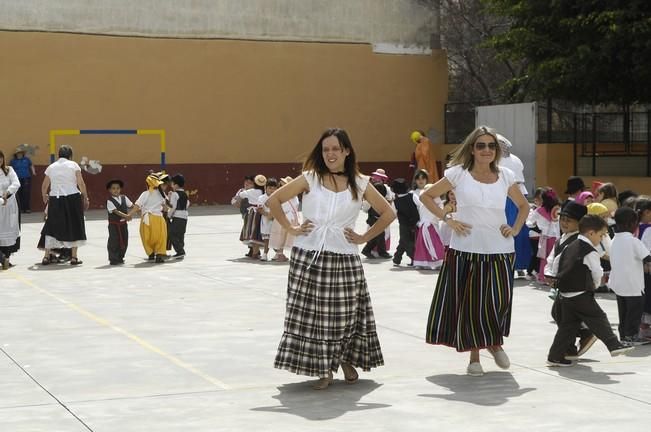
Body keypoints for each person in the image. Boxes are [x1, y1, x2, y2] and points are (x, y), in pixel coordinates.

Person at [268, 128, 394, 390]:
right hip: (308, 254)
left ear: (347, 151)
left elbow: (388, 213)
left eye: (336, 148)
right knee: (313, 316)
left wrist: (363, 237)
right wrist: (291, 229)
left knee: (345, 315)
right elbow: (275, 200)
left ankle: (345, 359)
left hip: (344, 255)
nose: (331, 154)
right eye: (326, 150)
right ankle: (324, 369)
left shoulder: (360, 182)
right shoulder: (310, 178)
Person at [422, 125, 529, 377]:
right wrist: (447, 219)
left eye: (492, 146)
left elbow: (524, 205)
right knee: (470, 305)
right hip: (465, 248)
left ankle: (493, 342)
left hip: (500, 249)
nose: (487, 150)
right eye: (481, 145)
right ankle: (474, 358)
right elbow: (427, 196)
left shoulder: (505, 175)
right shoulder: (457, 174)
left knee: (496, 301)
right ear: (472, 148)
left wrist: (514, 229)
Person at [546, 215, 634, 366]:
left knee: (568, 326)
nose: (601, 239)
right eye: (601, 235)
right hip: (581, 294)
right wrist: (594, 285)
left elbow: (556, 262)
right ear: (591, 233)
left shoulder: (570, 245)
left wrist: (554, 278)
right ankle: (614, 345)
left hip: (566, 294)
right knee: (598, 317)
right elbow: (597, 272)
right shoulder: (590, 251)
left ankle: (555, 356)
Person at [543, 201, 596, 359]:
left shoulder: (580, 241)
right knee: (558, 313)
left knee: (564, 316)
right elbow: (552, 258)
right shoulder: (561, 239)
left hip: (577, 286)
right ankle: (583, 334)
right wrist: (548, 273)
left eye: (569, 220)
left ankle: (570, 346)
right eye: (562, 219)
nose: (564, 223)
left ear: (580, 224)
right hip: (563, 285)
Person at [608, 207, 651, 344]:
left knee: (624, 312)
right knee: (634, 313)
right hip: (634, 285)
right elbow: (647, 257)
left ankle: (623, 335)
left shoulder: (613, 240)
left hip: (619, 284)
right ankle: (632, 335)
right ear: (630, 224)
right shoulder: (633, 241)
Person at [40, 145, 88, 266]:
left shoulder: (51, 167)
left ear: (58, 155)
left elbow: (44, 185)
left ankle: (46, 256)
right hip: (72, 198)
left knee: (51, 226)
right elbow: (80, 183)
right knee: (75, 224)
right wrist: (85, 197)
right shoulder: (73, 165)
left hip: (55, 198)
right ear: (70, 156)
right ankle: (74, 257)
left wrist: (44, 196)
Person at [497, 134, 531, 276]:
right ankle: (519, 265)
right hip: (519, 194)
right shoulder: (516, 159)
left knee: (508, 228)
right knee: (519, 229)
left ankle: (511, 263)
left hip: (508, 195)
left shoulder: (499, 161)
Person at [128, 173, 168, 263]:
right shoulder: (162, 194)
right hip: (159, 219)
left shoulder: (145, 194)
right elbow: (166, 208)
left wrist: (129, 214)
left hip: (147, 219)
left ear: (148, 184)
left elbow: (137, 206)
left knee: (146, 237)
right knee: (160, 238)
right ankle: (159, 255)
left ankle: (150, 253)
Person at [529, 188, 561, 282]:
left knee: (544, 257)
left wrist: (536, 226)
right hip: (556, 236)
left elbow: (530, 223)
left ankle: (543, 277)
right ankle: (553, 276)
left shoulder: (539, 210)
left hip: (544, 236)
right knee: (554, 257)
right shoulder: (557, 209)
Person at [413, 184, 445, 270]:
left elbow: (440, 212)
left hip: (432, 225)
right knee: (422, 245)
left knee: (435, 243)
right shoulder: (423, 200)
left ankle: (438, 262)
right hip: (424, 225)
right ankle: (422, 262)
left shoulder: (437, 200)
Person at [268, 176, 300, 262]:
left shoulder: (283, 196)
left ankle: (279, 254)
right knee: (285, 236)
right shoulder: (294, 196)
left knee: (280, 235)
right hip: (292, 219)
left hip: (282, 217)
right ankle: (279, 254)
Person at [391, 178, 419, 267]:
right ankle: (397, 258)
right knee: (405, 241)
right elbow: (419, 206)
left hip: (403, 224)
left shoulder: (395, 201)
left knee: (406, 241)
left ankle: (415, 258)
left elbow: (394, 213)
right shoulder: (413, 196)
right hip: (415, 222)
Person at [0, 150, 21, 267]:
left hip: (9, 205)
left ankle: (6, 258)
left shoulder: (9, 170)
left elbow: (16, 183)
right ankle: (2, 258)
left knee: (9, 229)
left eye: (1, 158)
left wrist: (7, 192)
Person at [361, 182, 391, 259]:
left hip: (378, 220)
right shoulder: (370, 201)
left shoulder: (381, 200)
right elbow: (365, 208)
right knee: (380, 236)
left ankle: (366, 250)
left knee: (375, 236)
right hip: (373, 220)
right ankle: (382, 252)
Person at [106, 179, 133, 265]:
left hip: (123, 224)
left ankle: (120, 257)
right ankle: (113, 258)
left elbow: (132, 206)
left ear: (120, 189)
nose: (116, 190)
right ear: (109, 190)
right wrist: (126, 216)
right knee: (114, 241)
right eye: (113, 188)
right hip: (114, 225)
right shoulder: (109, 201)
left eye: (118, 188)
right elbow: (116, 211)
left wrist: (139, 211)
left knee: (124, 240)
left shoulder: (124, 198)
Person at [239, 175, 266, 259]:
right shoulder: (263, 192)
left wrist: (245, 190)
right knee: (259, 232)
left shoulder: (251, 191)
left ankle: (254, 252)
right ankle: (256, 252)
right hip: (262, 212)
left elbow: (241, 195)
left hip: (252, 213)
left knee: (252, 232)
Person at [637, 198, 651, 339]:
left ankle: (643, 327)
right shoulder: (647, 229)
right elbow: (646, 249)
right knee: (648, 298)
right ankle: (644, 329)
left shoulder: (633, 226)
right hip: (647, 267)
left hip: (640, 267)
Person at [167, 174, 189, 259]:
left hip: (177, 216)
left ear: (176, 185)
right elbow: (187, 204)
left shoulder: (175, 194)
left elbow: (173, 207)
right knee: (181, 234)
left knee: (172, 233)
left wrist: (169, 215)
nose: (171, 186)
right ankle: (181, 250)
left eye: (172, 184)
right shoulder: (185, 193)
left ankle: (180, 251)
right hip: (185, 216)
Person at [256, 177, 278, 261]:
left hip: (276, 220)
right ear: (266, 188)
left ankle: (278, 253)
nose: (272, 190)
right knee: (267, 239)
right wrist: (268, 215)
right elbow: (259, 209)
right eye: (270, 188)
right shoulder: (262, 198)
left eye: (274, 188)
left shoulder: (277, 197)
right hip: (266, 221)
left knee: (275, 238)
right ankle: (265, 254)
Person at [10, 147, 35, 213]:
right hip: (17, 179)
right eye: (18, 153)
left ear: (22, 154)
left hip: (26, 178)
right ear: (16, 154)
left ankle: (27, 208)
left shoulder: (26, 159)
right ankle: (19, 209)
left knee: (26, 193)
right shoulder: (13, 161)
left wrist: (33, 172)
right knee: (18, 194)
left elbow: (31, 165)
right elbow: (10, 169)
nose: (19, 154)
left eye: (20, 153)